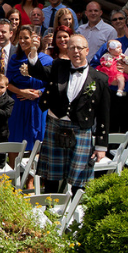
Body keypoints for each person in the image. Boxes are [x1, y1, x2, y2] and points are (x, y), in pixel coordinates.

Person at [24, 33, 111, 193]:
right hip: (55, 125)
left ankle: (74, 212)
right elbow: (38, 72)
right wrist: (34, 51)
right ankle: (49, 209)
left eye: (79, 48)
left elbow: (103, 114)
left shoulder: (99, 79)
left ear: (87, 50)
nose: (76, 51)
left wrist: (101, 145)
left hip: (81, 128)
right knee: (51, 175)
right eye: (72, 48)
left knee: (80, 178)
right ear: (67, 51)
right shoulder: (58, 66)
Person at [6, 26, 52, 154]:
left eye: (26, 37)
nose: (22, 41)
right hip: (18, 104)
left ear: (35, 39)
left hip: (38, 105)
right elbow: (7, 83)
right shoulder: (15, 59)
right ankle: (13, 171)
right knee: (15, 140)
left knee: (36, 141)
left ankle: (32, 172)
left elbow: (52, 84)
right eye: (20, 38)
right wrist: (21, 92)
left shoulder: (46, 60)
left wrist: (39, 92)